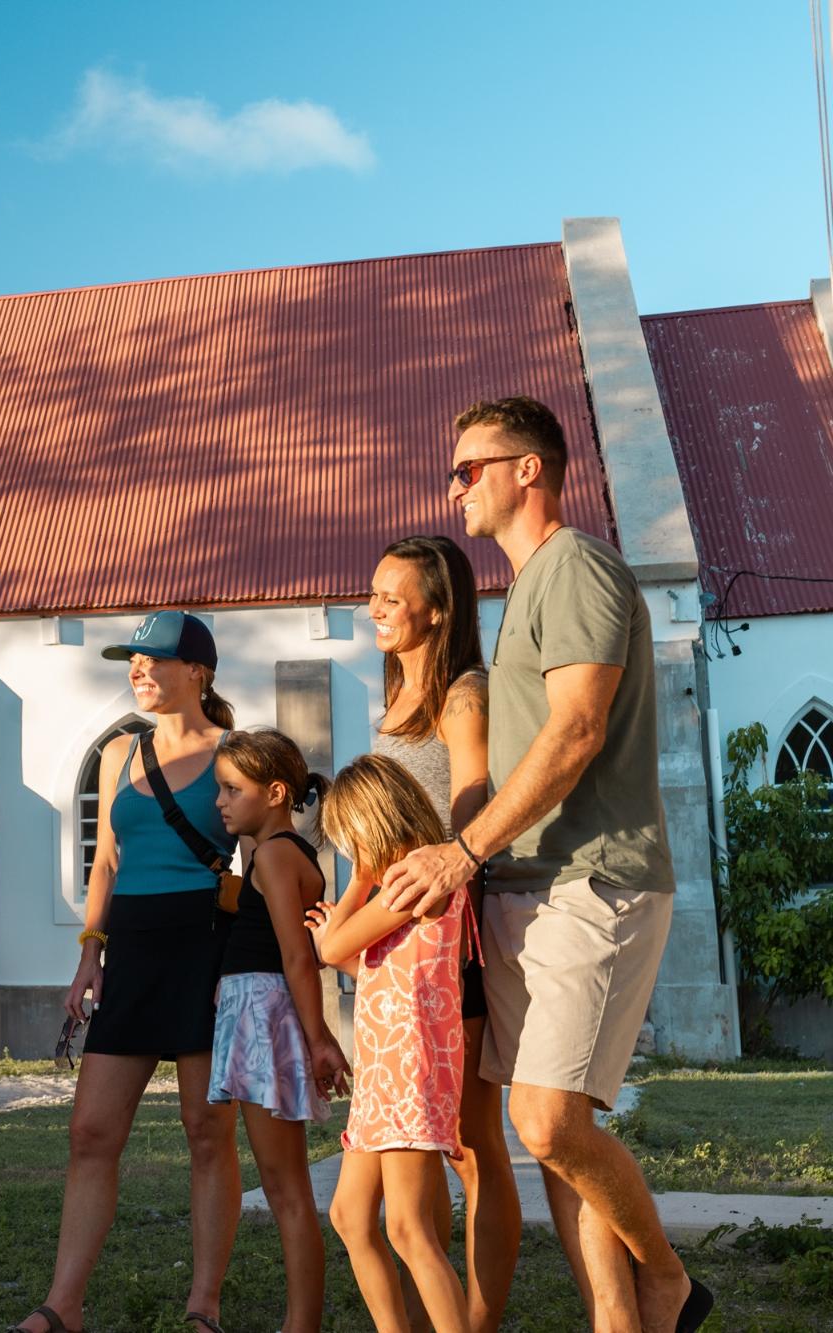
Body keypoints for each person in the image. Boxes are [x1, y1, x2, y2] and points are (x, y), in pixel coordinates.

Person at [379, 397, 712, 1333]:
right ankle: (619, 1317)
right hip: (525, 889)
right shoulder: (529, 586)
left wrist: (462, 851)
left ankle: (668, 1280)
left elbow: (576, 731)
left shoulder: (576, 566)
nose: (456, 488)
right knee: (562, 1141)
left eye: (468, 468)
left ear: (527, 468)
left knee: (546, 1122)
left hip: (591, 878)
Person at [10, 610, 243, 1333]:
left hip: (207, 948)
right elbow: (106, 862)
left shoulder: (235, 753)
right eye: (131, 660)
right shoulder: (120, 752)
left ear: (197, 671)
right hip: (132, 952)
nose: (138, 669)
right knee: (90, 1132)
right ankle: (63, 1306)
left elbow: (266, 859)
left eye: (153, 658)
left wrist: (244, 968)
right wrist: (90, 953)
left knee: (206, 1131)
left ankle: (204, 1307)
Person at [370, 534, 521, 1333]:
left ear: (437, 609)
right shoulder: (396, 696)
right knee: (423, 1139)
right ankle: (441, 1313)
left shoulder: (463, 695)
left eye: (392, 597)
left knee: (470, 1140)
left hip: (448, 946)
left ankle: (478, 1320)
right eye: (374, 593)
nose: (375, 608)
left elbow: (471, 819)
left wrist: (458, 938)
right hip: (395, 949)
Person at [311, 755, 476, 1333]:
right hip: (386, 1071)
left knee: (408, 1228)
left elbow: (333, 951)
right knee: (350, 1215)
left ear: (373, 825)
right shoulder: (409, 884)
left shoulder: (411, 881)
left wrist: (357, 884)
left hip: (408, 1070)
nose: (352, 855)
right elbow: (378, 971)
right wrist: (340, 931)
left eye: (352, 841)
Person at [207, 729, 348, 1333]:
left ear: (276, 793)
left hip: (265, 1015)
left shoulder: (273, 855)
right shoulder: (276, 851)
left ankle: (302, 1324)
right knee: (282, 1184)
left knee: (286, 1189)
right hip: (256, 1012)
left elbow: (297, 957)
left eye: (232, 790)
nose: (220, 801)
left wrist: (319, 1040)